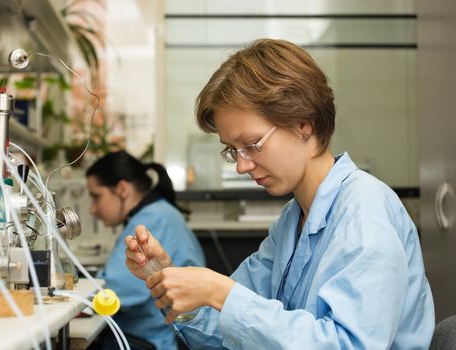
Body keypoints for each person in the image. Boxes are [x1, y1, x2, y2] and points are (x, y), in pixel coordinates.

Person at [124, 39, 435, 349]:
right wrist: (165, 277)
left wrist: (221, 293)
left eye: (252, 144)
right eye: (233, 151)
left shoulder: (365, 212)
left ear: (304, 125)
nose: (241, 166)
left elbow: (349, 344)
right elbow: (229, 333)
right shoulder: (292, 221)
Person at [86, 150, 205, 350]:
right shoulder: (158, 212)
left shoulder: (151, 220)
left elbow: (118, 290)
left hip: (149, 341)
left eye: (96, 197)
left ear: (122, 189)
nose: (93, 209)